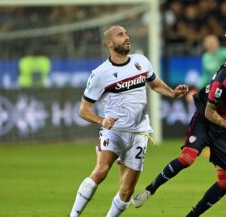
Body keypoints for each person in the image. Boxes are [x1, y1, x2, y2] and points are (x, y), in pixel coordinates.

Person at [132, 31, 226, 216]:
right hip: (206, 120)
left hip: (224, 129)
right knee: (187, 158)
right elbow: (210, 113)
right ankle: (150, 189)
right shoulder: (223, 82)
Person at [68, 25, 188, 217]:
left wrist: (172, 93)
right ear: (109, 43)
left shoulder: (141, 61)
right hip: (114, 131)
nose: (126, 37)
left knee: (126, 191)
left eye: (126, 33)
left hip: (139, 133)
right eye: (120, 35)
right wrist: (101, 121)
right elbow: (83, 110)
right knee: (100, 171)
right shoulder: (100, 73)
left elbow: (155, 83)